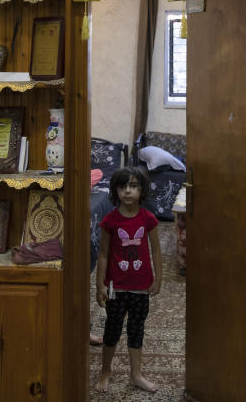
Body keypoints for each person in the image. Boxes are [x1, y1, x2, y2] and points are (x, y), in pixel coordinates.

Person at [94, 167, 162, 394]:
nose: (128, 191)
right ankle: (105, 370)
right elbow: (102, 254)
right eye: (122, 187)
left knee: (136, 329)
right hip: (116, 287)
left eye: (133, 186)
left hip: (141, 287)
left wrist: (158, 279)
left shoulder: (148, 219)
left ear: (141, 190)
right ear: (115, 190)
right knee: (112, 329)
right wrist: (99, 284)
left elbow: (156, 251)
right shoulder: (110, 221)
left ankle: (136, 375)